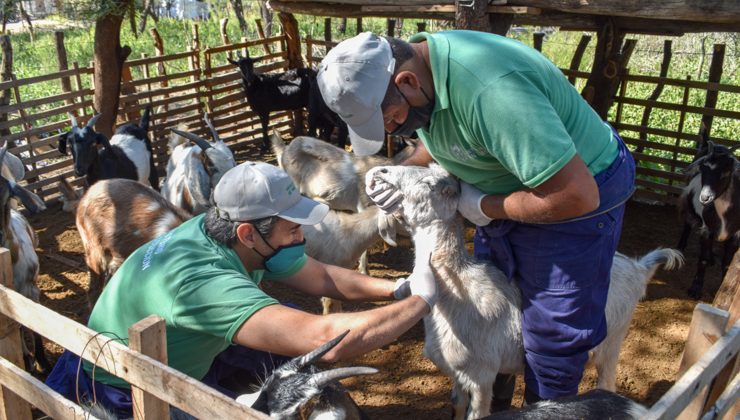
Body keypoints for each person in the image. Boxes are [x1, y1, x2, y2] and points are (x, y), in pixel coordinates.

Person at [317, 31, 636, 406]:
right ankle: (494, 407)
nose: (393, 129)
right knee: (490, 313)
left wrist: (485, 207)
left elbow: (574, 195)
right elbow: (439, 138)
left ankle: (544, 410)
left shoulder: (493, 93)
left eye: (392, 119)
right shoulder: (425, 78)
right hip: (513, 184)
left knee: (552, 335)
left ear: (407, 82)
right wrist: (393, 170)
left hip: (575, 197)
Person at [46, 161, 436, 418]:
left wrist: (400, 288)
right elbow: (326, 339)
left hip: (172, 352)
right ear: (249, 233)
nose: (302, 236)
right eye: (293, 228)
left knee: (285, 366)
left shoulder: (218, 232)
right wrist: (423, 301)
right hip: (121, 388)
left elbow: (324, 278)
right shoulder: (203, 283)